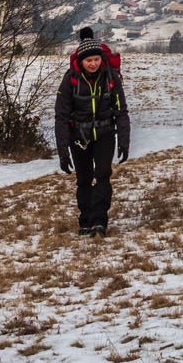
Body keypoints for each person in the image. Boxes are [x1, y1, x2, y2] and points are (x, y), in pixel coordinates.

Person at [54, 27, 130, 235]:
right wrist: (63, 152)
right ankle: (85, 220)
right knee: (84, 178)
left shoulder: (111, 78)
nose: (93, 64)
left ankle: (100, 220)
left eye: (96, 59)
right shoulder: (70, 80)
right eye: (89, 60)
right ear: (80, 61)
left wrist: (124, 141)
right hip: (79, 137)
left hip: (105, 133)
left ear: (101, 59)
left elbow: (121, 111)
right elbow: (61, 116)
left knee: (103, 174)